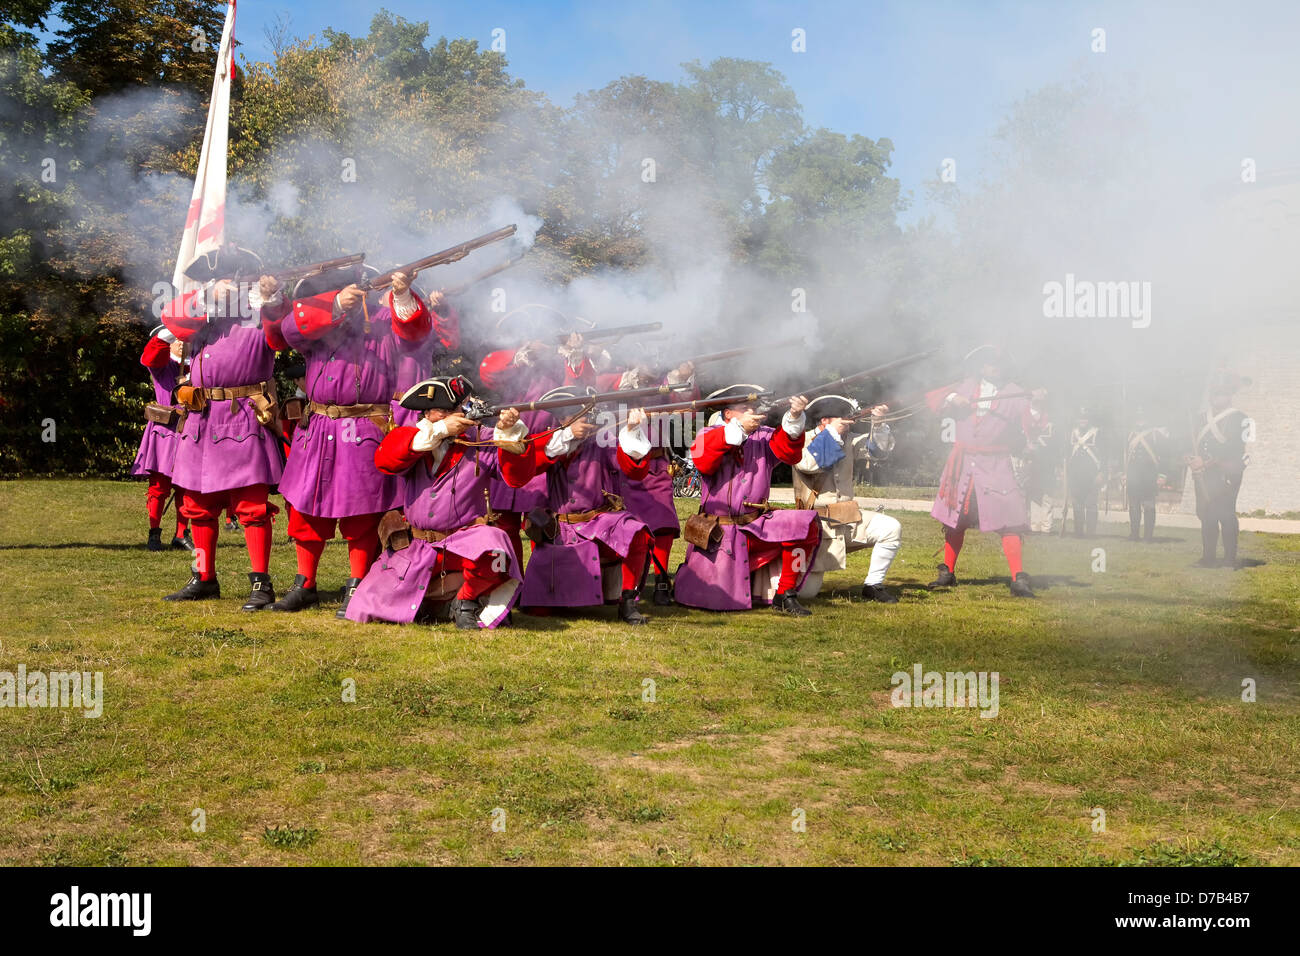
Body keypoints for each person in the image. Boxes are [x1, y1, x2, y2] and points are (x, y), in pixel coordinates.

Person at [263, 265, 433, 616]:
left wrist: (402, 295)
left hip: (365, 425)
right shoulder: (321, 319)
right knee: (307, 512)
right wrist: (336, 305)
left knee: (362, 514)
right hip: (319, 423)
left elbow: (416, 333)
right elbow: (289, 330)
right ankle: (304, 583)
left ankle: (357, 584)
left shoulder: (386, 319)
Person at [158, 245, 285, 610]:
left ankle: (261, 584)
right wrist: (209, 295)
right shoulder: (204, 311)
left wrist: (269, 296)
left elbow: (283, 332)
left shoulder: (261, 310)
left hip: (242, 414)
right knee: (197, 506)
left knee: (252, 507)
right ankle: (204, 576)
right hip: (201, 417)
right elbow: (171, 318)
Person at [344, 376, 528, 628]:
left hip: (465, 542)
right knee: (370, 603)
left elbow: (517, 477)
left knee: (494, 545)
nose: (453, 415)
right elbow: (386, 460)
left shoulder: (482, 438)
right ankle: (444, 603)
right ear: (428, 413)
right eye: (444, 411)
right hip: (419, 547)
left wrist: (507, 434)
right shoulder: (416, 437)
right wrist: (441, 430)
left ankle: (465, 600)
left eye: (455, 409)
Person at [498, 386, 656, 625]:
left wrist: (632, 431)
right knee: (539, 611)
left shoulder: (604, 440)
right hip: (562, 527)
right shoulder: (553, 441)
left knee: (637, 534)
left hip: (599, 521)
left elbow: (633, 469)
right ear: (561, 420)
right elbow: (531, 464)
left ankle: (628, 601)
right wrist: (568, 433)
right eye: (567, 417)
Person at [673, 386, 820, 616]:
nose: (753, 411)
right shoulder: (708, 434)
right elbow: (704, 461)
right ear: (728, 414)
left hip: (757, 526)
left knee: (803, 525)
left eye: (753, 407)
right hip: (720, 531)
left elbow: (790, 453)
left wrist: (793, 417)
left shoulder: (764, 435)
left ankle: (786, 593)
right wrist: (739, 430)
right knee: (713, 598)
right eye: (745, 408)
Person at [926, 346, 1046, 598]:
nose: (994, 366)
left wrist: (1035, 404)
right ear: (981, 366)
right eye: (989, 362)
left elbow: (1032, 427)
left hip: (996, 464)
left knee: (1010, 521)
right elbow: (933, 398)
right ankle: (947, 572)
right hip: (962, 463)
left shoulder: (1015, 393)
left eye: (998, 362)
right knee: (954, 518)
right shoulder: (966, 386)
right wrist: (952, 399)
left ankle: (1018, 579)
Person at [792, 396, 902, 603]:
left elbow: (878, 451)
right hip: (816, 525)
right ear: (825, 421)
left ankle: (873, 585)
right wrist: (833, 434)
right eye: (843, 418)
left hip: (847, 519)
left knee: (890, 528)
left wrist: (877, 423)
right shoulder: (803, 439)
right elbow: (808, 465)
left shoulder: (848, 439)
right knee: (805, 593)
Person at [615, 361, 697, 605]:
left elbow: (689, 407)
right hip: (623, 465)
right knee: (628, 526)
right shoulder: (621, 381)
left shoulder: (665, 386)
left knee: (664, 524)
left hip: (657, 463)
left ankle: (661, 579)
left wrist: (684, 375)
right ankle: (628, 583)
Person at [132, 324, 192, 551]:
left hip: (191, 431)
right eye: (178, 339)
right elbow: (151, 355)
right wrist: (173, 327)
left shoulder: (198, 365)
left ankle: (180, 534)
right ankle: (154, 532)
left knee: (186, 487)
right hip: (165, 433)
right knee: (159, 487)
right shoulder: (163, 366)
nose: (182, 342)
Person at [1188, 374, 1250, 568]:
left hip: (1226, 473)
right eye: (1216, 393)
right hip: (1204, 474)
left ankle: (1229, 559)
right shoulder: (1199, 419)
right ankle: (1208, 558)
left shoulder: (1241, 418)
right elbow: (1191, 443)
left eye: (1223, 393)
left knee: (1225, 514)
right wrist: (1190, 458)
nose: (1219, 397)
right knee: (1207, 514)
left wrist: (1204, 460)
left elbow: (1235, 447)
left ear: (1230, 396)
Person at [1124, 408, 1169, 542]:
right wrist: (1124, 473)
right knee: (1133, 506)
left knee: (1149, 506)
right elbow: (1125, 456)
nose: (1140, 420)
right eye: (1138, 417)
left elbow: (1165, 456)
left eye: (1143, 417)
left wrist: (1162, 475)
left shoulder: (1156, 434)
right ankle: (1134, 534)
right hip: (1133, 475)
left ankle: (1148, 536)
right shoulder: (1130, 434)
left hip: (1149, 475)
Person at [1066, 406, 1104, 537]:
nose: (1083, 420)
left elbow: (1104, 455)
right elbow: (1066, 453)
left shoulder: (1097, 433)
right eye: (1081, 418)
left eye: (1085, 418)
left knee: (1091, 504)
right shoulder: (1072, 433)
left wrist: (1101, 473)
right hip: (1075, 475)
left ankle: (1091, 533)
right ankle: (1078, 533)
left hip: (1091, 475)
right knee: (1077, 504)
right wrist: (1063, 471)